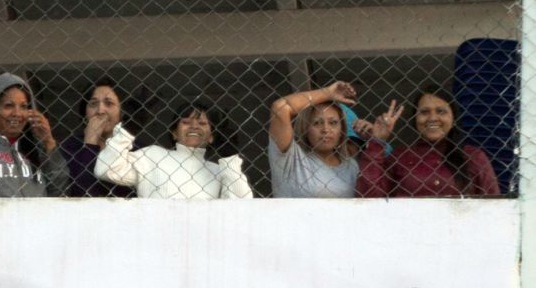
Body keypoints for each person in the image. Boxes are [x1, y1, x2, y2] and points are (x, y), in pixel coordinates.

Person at [356, 85, 500, 197]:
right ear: (415, 119)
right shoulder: (399, 157)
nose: (432, 118)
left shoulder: (473, 156)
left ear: (453, 118)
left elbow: (495, 206)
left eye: (441, 111)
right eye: (424, 112)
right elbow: (368, 197)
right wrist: (377, 143)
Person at [94, 100, 253, 199]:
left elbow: (242, 203)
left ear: (212, 136)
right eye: (186, 121)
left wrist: (229, 157)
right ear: (174, 133)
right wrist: (128, 130)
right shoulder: (153, 155)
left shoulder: (219, 171)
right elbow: (105, 169)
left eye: (203, 124)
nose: (194, 126)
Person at [268, 81, 359, 198]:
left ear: (342, 129)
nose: (326, 129)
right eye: (317, 123)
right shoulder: (291, 158)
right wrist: (327, 93)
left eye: (333, 123)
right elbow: (280, 108)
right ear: (306, 128)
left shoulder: (351, 166)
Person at [61, 79, 135, 197]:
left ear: (122, 112)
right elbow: (81, 195)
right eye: (93, 104)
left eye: (109, 103)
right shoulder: (70, 148)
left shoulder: (134, 148)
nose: (100, 111)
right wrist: (90, 143)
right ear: (84, 112)